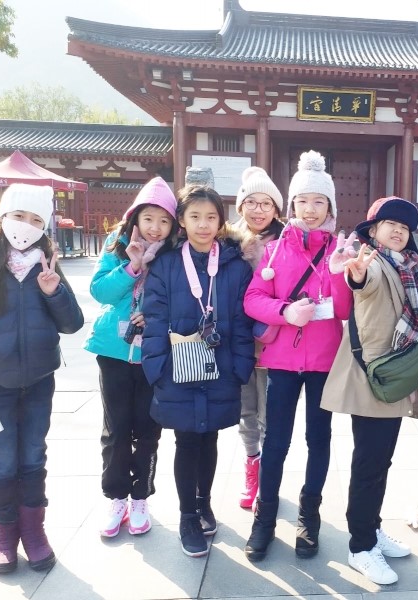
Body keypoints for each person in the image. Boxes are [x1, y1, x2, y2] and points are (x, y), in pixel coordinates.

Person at [0, 183, 84, 573]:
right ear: (2, 216)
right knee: (2, 461)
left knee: (32, 456)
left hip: (38, 383)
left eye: (35, 220)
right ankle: (3, 536)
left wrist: (53, 291)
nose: (25, 226)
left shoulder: (47, 262)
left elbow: (73, 323)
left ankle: (34, 532)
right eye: (18, 216)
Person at [242, 150, 352, 562]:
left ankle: (309, 517)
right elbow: (253, 298)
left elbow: (344, 310)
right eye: (302, 201)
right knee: (276, 441)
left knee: (318, 440)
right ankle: (265, 518)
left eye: (319, 201)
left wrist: (339, 274)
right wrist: (285, 312)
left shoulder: (340, 249)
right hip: (283, 363)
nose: (310, 209)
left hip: (324, 361)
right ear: (291, 205)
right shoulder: (274, 251)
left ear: (330, 207)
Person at [140, 185, 255, 557]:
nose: (203, 225)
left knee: (210, 439)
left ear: (221, 221)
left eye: (211, 217)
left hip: (222, 367)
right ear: (182, 221)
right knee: (187, 441)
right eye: (195, 217)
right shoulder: (166, 264)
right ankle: (188, 516)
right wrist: (157, 368)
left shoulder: (235, 266)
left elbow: (242, 322)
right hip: (177, 369)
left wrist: (240, 367)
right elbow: (154, 320)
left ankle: (204, 503)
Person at [322, 197, 418, 585]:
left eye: (405, 226)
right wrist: (357, 275)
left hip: (394, 377)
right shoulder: (375, 263)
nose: (398, 231)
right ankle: (361, 547)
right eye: (390, 224)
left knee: (380, 461)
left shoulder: (407, 266)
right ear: (374, 229)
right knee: (369, 464)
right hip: (374, 378)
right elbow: (363, 283)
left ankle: (372, 528)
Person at [84, 177, 178, 538]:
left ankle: (140, 497)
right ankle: (116, 497)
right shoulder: (117, 245)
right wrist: (131, 267)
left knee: (148, 429)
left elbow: (180, 301)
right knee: (116, 429)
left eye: (164, 220)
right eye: (148, 218)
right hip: (113, 352)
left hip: (154, 353)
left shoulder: (174, 255)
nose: (155, 227)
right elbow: (100, 291)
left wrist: (156, 318)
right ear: (135, 217)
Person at [232, 166, 285, 510]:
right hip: (237, 342)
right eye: (251, 202)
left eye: (266, 203)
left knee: (270, 414)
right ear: (241, 206)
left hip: (272, 340)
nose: (258, 210)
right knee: (245, 410)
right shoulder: (227, 241)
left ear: (276, 209)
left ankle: (268, 478)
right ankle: (251, 469)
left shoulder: (287, 242)